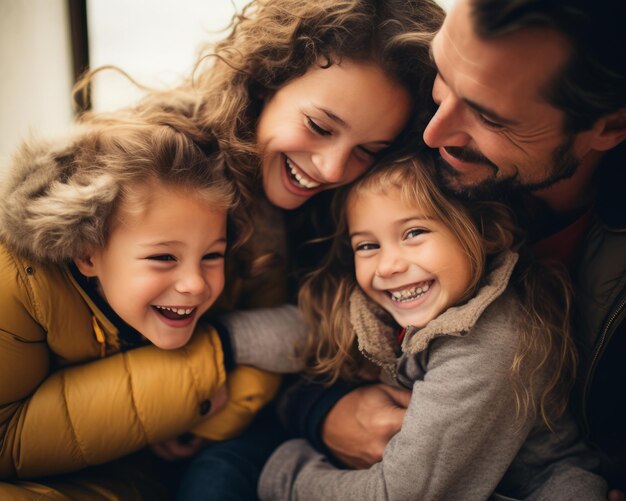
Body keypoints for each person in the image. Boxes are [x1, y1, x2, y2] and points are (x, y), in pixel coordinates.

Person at [290, 0, 626, 492]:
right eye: (442, 72)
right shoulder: (390, 122)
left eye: (491, 118)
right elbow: (309, 310)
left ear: (610, 128)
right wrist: (317, 410)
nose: (433, 132)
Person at [257, 156, 607, 500]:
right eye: (367, 246)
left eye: (414, 233)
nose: (388, 265)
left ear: (484, 233)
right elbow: (309, 327)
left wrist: (284, 471)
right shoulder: (396, 303)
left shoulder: (487, 343)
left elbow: (399, 495)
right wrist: (222, 342)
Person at [0, 110, 304, 499]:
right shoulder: (18, 283)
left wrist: (204, 423)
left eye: (212, 256)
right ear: (87, 254)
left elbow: (278, 346)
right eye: (164, 258)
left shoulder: (244, 264)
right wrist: (215, 356)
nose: (195, 284)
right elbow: (7, 441)